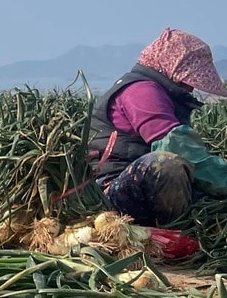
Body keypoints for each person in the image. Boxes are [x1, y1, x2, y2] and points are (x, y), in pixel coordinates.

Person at [87, 28, 227, 227]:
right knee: (167, 164)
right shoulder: (142, 91)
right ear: (175, 69)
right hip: (111, 193)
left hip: (136, 186)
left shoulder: (157, 90)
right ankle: (177, 230)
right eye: (189, 80)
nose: (191, 87)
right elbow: (176, 148)